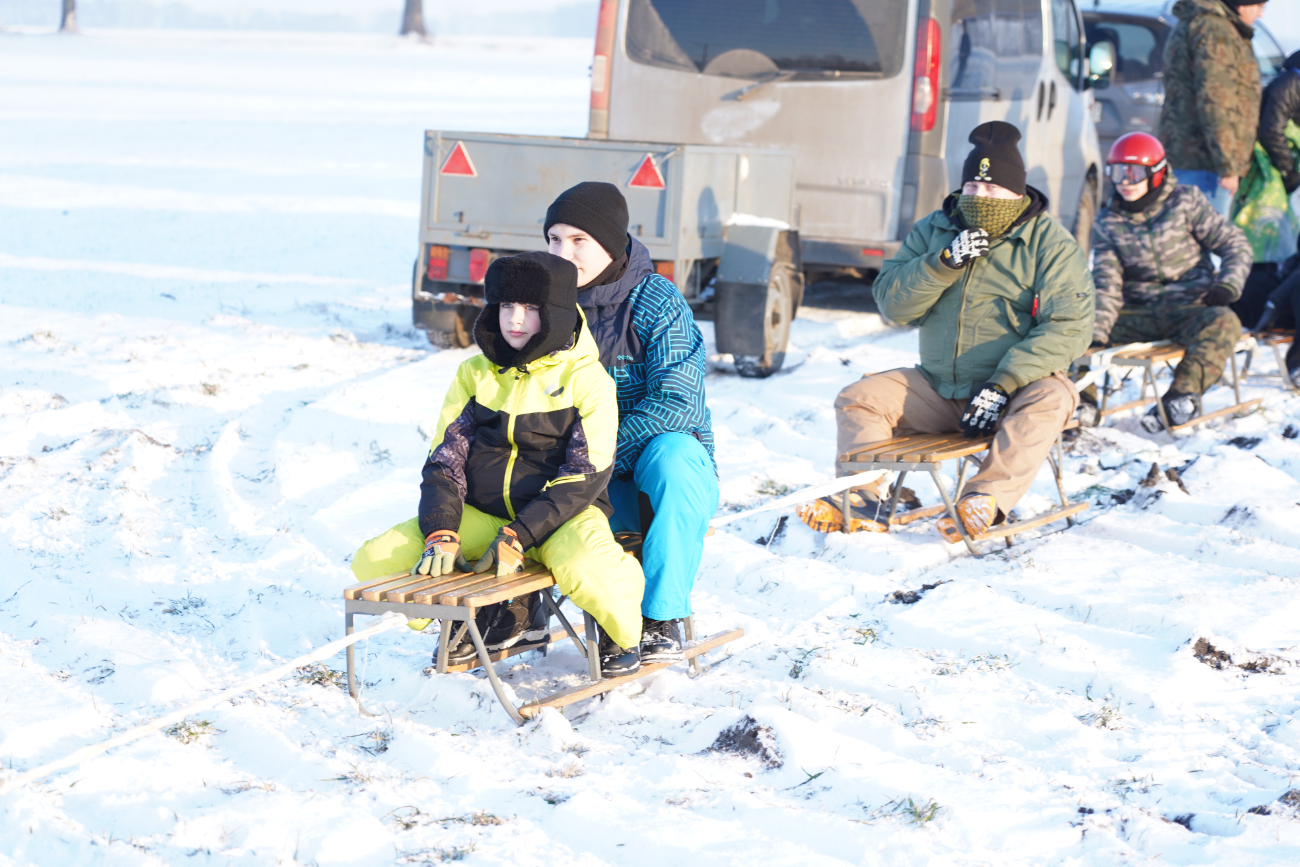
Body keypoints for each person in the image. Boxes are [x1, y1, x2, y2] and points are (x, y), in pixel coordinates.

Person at [349, 251, 646, 676]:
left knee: (587, 567)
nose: (515, 319)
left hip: (562, 519)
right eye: (507, 305)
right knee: (376, 560)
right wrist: (440, 530)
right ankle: (476, 619)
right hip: (485, 516)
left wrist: (520, 535)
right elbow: (444, 461)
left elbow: (584, 475)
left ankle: (622, 633)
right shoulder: (474, 372)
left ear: (557, 313)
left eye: (530, 308)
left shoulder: (587, 380)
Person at [799, 121, 1093, 542]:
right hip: (943, 388)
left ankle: (984, 500)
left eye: (992, 190)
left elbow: (1068, 328)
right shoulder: (934, 230)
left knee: (1055, 396)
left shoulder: (1050, 244)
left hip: (1015, 392)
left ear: (1017, 192)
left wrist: (1002, 385)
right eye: (972, 187)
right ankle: (861, 496)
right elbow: (892, 306)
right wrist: (942, 264)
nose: (979, 197)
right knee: (859, 398)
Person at [543, 182, 717, 665]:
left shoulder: (656, 301)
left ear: (611, 244)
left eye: (579, 240)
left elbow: (679, 400)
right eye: (555, 239)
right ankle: (516, 612)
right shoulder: (547, 303)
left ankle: (661, 618)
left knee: (676, 459)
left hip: (651, 465)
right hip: (580, 470)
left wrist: (601, 449)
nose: (564, 252)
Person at [1091, 132, 1252, 431]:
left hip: (1191, 307)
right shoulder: (1108, 221)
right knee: (1075, 327)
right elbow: (1106, 283)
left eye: (1134, 172)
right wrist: (1096, 333)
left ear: (1156, 172)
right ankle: (1081, 402)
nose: (1125, 182)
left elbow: (1235, 244)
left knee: (1224, 322)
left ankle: (1181, 396)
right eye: (1117, 172)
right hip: (1138, 311)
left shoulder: (1185, 202)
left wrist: (1227, 285)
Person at [1158, 0, 1267, 216]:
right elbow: (1217, 101)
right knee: (1209, 240)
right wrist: (1227, 165)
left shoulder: (1197, 23)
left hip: (1191, 157)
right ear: (1241, 4)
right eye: (1259, 6)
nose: (1261, 14)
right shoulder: (1216, 31)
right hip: (1206, 163)